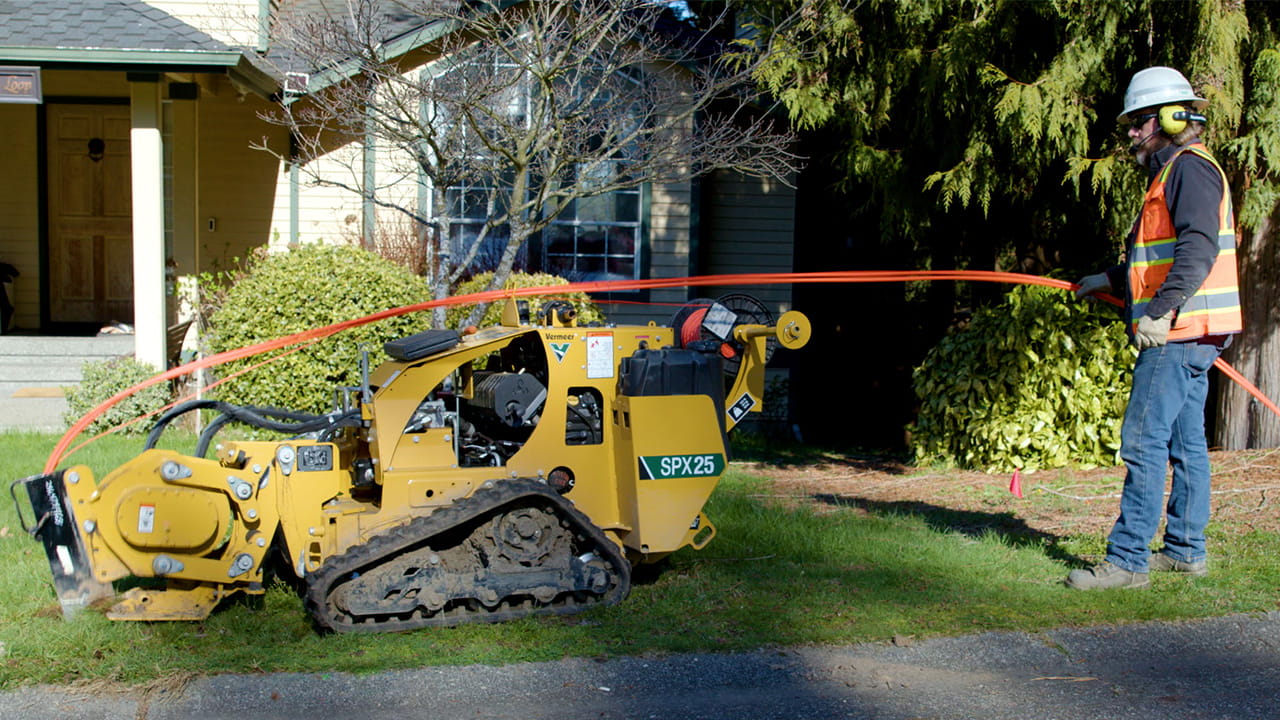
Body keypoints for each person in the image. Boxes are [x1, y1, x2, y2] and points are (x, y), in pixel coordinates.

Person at [1068, 66, 1243, 590]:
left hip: (1178, 332)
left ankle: (1126, 562)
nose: (1130, 134)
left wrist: (1161, 312)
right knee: (1185, 443)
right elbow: (1161, 258)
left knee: (1143, 440)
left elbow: (1196, 249)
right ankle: (1187, 550)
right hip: (1195, 331)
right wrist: (1112, 278)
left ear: (1169, 118)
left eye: (1138, 122)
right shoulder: (1178, 171)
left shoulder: (1189, 169)